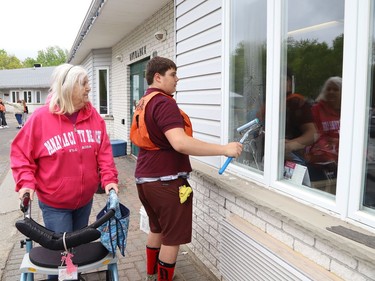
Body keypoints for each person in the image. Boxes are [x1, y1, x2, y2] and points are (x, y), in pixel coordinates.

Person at [130, 56, 242, 281]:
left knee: (157, 229)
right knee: (171, 239)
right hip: (166, 182)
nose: (177, 79)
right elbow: (180, 142)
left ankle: (152, 276)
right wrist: (224, 149)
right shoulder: (164, 102)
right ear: (158, 77)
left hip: (145, 180)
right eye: (173, 74)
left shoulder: (145, 101)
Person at [10, 63, 119, 278]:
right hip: (55, 205)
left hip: (84, 201)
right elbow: (21, 154)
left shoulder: (94, 117)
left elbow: (104, 153)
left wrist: (109, 179)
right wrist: (26, 184)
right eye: (84, 84)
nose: (89, 88)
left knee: (75, 253)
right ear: (67, 87)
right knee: (60, 257)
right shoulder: (40, 119)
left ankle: (73, 275)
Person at [305, 76, 342, 181]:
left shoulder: (348, 110)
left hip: (341, 160)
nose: (331, 92)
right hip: (319, 162)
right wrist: (330, 156)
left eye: (335, 89)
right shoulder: (316, 109)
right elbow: (317, 135)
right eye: (328, 89)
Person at [284, 70, 316, 163]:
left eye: (285, 79)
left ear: (290, 83)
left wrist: (291, 145)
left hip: (293, 157)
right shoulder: (267, 104)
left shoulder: (296, 102)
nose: (281, 82)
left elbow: (312, 133)